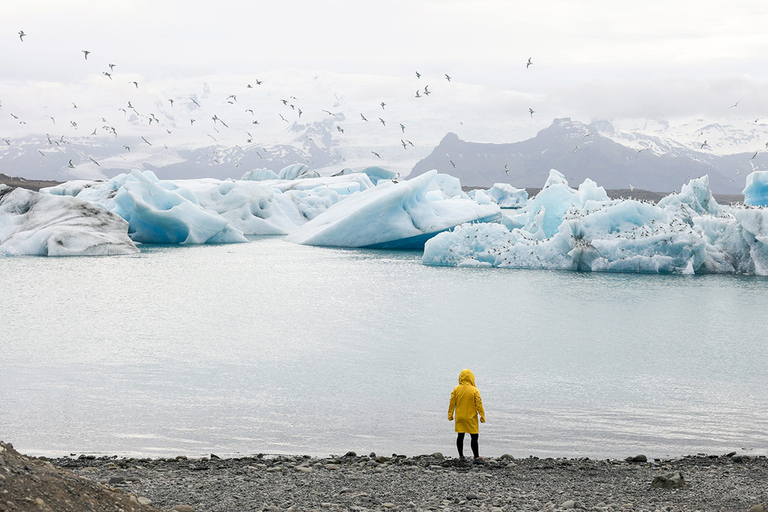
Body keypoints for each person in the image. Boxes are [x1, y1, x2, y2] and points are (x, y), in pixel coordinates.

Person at [447, 368, 486, 464]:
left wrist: (450, 414)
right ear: (472, 378)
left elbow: (452, 402)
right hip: (471, 417)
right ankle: (476, 457)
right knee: (474, 437)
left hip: (460, 417)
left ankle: (461, 456)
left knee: (460, 435)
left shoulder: (456, 389)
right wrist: (482, 415)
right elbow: (479, 404)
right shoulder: (474, 390)